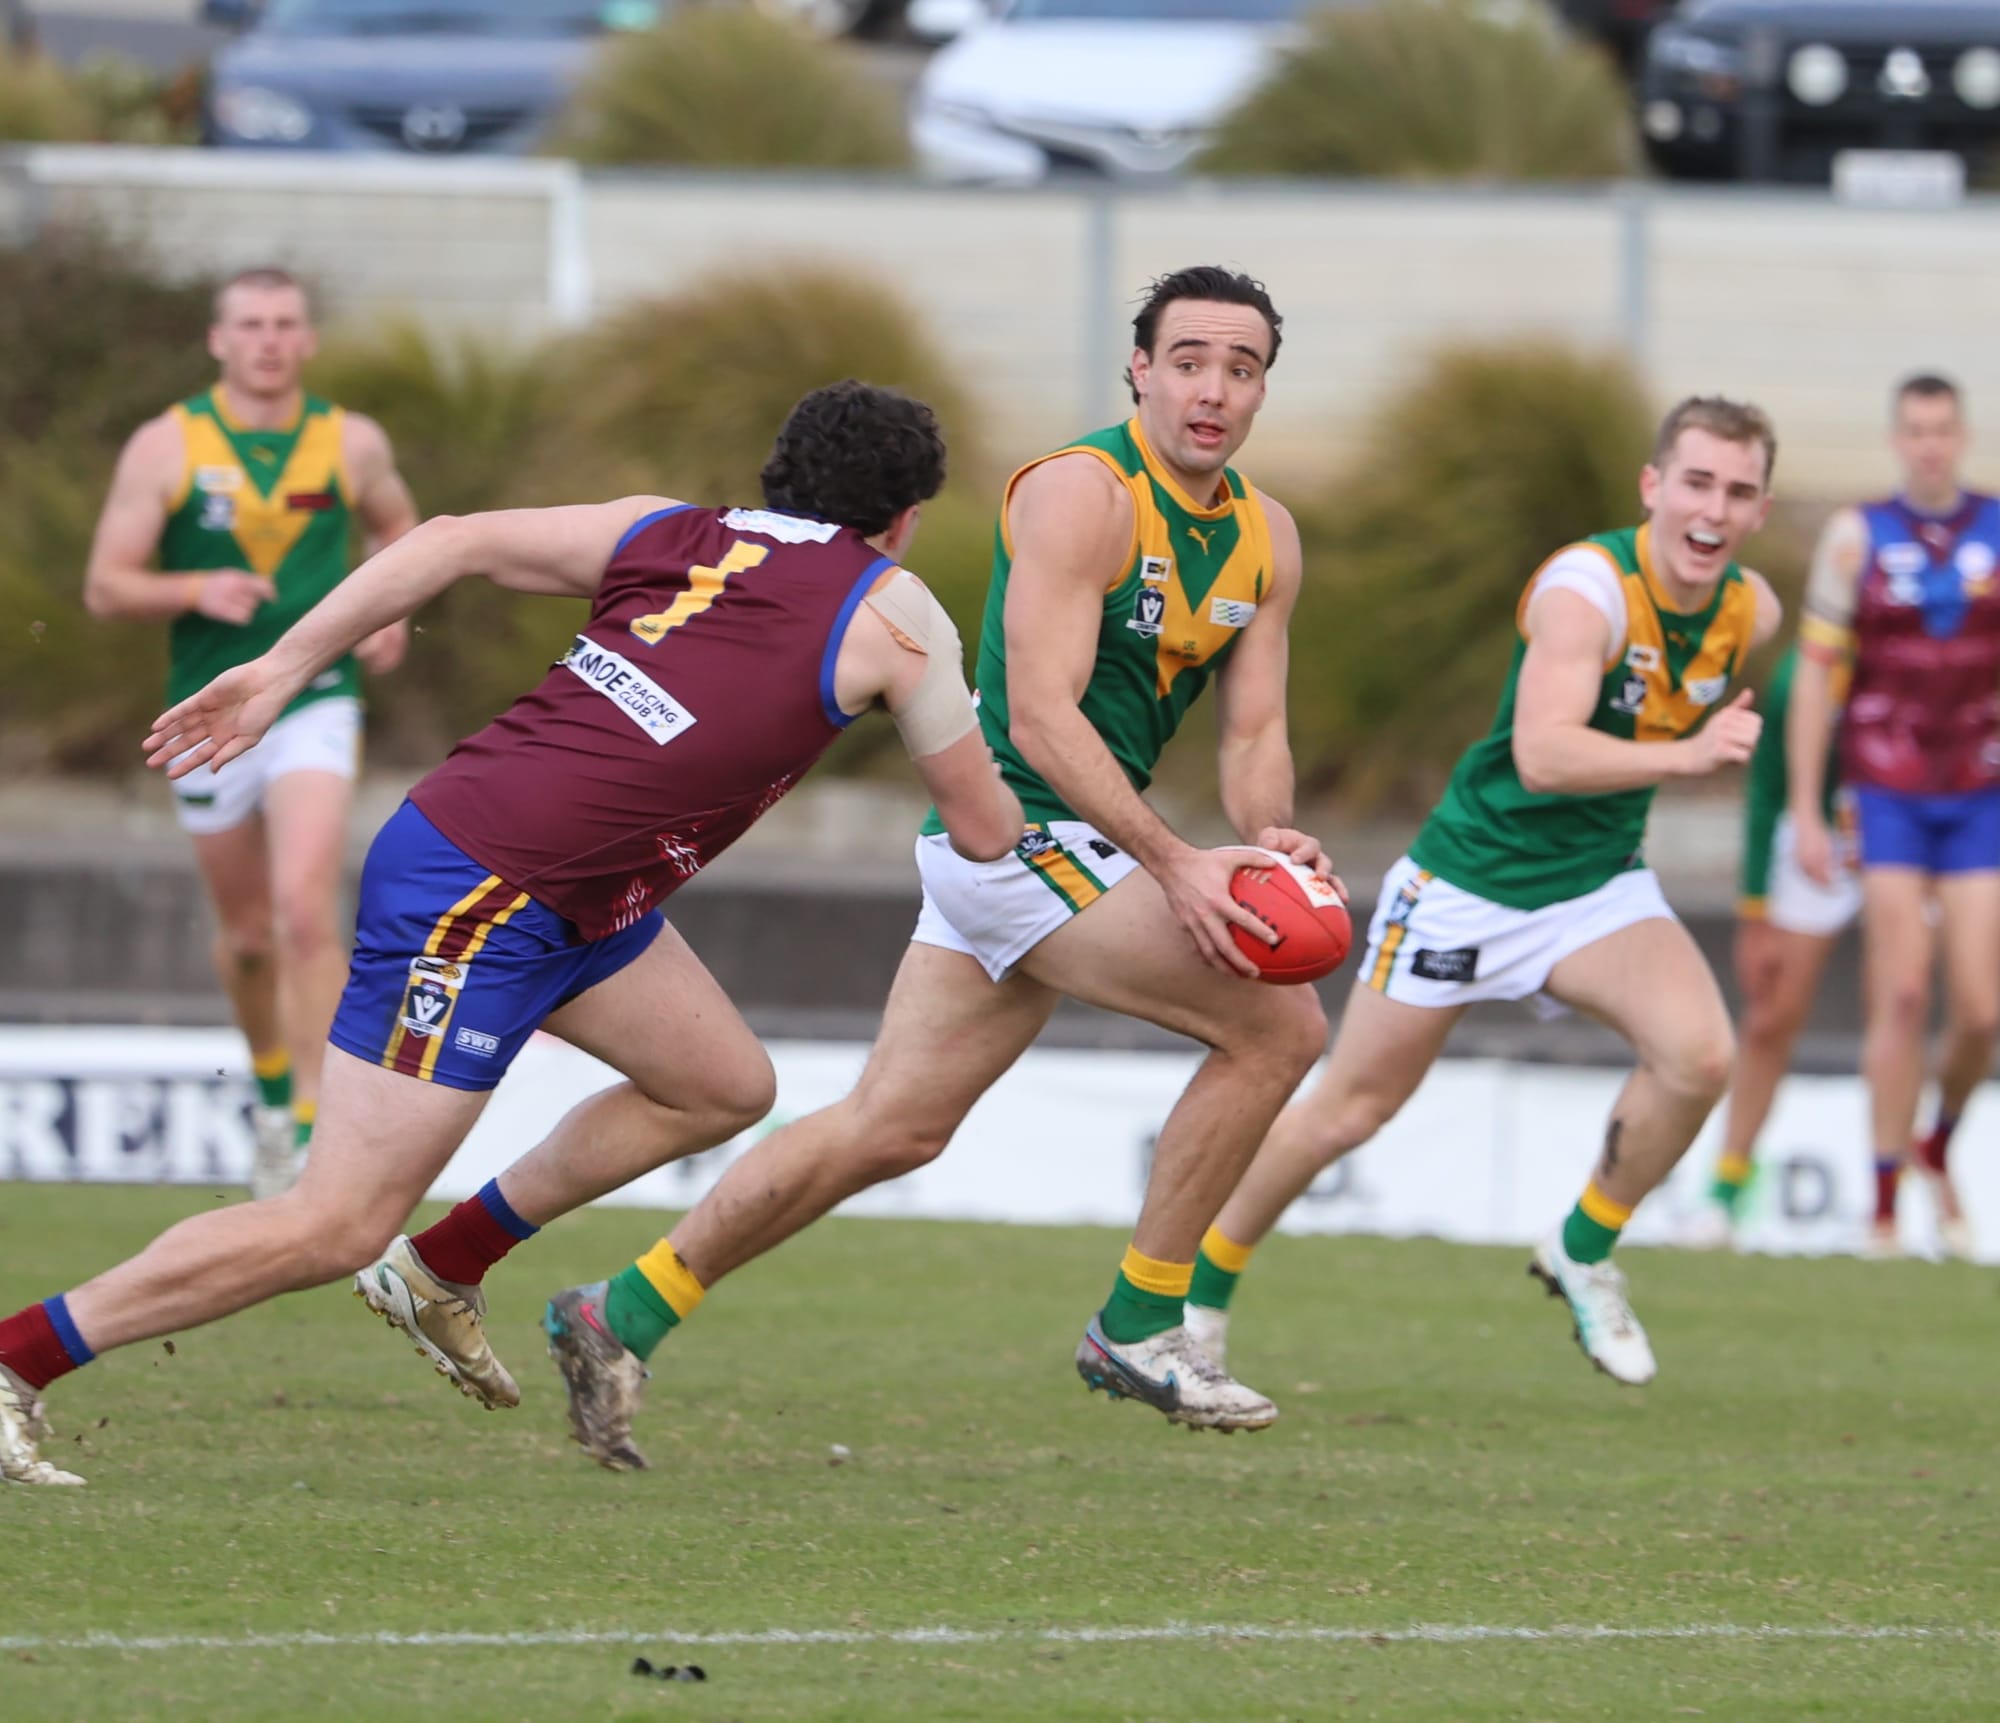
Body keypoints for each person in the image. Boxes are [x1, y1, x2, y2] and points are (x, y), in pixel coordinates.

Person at [373, 264, 1331, 1468]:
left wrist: (1269, 833)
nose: (1213, 388)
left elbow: (1251, 735)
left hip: (1067, 850)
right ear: (1137, 368)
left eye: (1241, 368)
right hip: (1025, 836)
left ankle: (621, 1312)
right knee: (1278, 1028)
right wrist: (1184, 867)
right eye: (1187, 359)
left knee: (891, 1126)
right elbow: (1035, 716)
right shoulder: (1082, 495)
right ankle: (1138, 1320)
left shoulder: (1265, 538)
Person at [0, 381, 1021, 1487]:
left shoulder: (670, 526)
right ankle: (15, 1361)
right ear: (905, 516)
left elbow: (448, 541)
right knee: (331, 1221)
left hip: (563, 883)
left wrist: (285, 664)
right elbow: (982, 831)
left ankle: (443, 1266)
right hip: (484, 889)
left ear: (778, 473)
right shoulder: (893, 609)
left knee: (717, 1084)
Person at [1182, 397, 1783, 1389]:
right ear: (1650, 487)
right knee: (1348, 1108)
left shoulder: (1745, 609)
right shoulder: (1584, 588)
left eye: (1737, 490)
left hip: (1594, 889)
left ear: (1759, 509)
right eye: (1694, 481)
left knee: (1698, 1056)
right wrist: (1687, 756)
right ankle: (1194, 1294)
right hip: (1468, 881)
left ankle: (1581, 1248)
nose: (1711, 508)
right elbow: (1542, 755)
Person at [83, 266, 419, 1200]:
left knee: (305, 908)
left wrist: (391, 606)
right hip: (206, 712)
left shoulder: (350, 441)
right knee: (245, 937)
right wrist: (195, 589)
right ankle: (273, 1085)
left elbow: (404, 532)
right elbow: (107, 584)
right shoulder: (167, 446)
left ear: (307, 340)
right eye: (251, 324)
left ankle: (316, 1124)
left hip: (315, 694)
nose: (269, 339)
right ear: (218, 340)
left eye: (285, 323)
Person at [1788, 374, 2000, 1260]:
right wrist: (1806, 804)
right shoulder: (1854, 536)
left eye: (1942, 430)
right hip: (1887, 785)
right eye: (1914, 430)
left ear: (1963, 436)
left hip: (1980, 786)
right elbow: (1814, 678)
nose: (1929, 445)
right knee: (1904, 990)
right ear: (1896, 438)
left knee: (1982, 1011)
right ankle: (1882, 1209)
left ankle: (1936, 1143)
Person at [1681, 643, 1861, 1248]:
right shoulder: (1806, 669)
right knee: (1770, 1017)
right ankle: (1726, 1186)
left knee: (1915, 1002)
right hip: (1812, 839)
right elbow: (1767, 786)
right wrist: (1754, 907)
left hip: (1924, 829)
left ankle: (1911, 1190)